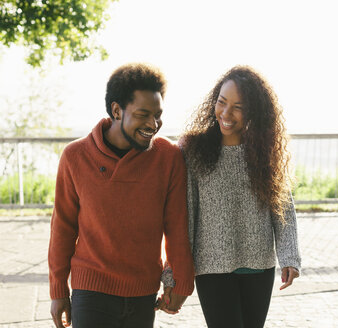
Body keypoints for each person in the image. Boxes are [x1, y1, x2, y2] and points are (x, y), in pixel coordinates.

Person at [48, 63, 194, 328]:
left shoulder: (169, 157)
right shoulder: (75, 156)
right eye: (143, 114)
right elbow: (63, 229)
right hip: (90, 291)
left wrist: (182, 281)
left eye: (158, 115)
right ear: (117, 111)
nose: (153, 124)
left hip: (143, 292)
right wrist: (58, 290)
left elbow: (177, 224)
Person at [159, 65, 301, 328]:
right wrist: (172, 274)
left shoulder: (265, 152)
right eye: (222, 103)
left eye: (238, 107)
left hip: (259, 266)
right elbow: (184, 218)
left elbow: (283, 210)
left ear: (254, 111)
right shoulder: (193, 151)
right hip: (212, 269)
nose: (226, 113)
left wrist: (290, 258)